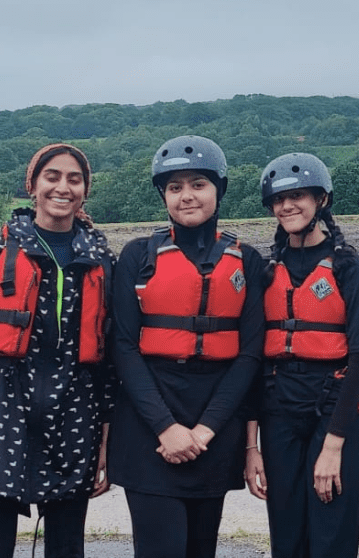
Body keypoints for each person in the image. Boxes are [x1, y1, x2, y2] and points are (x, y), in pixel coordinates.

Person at [0, 143, 117, 558]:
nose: (63, 187)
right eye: (52, 177)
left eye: (74, 179)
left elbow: (111, 360)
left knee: (67, 549)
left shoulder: (101, 258)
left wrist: (106, 444)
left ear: (85, 190)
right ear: (33, 185)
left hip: (75, 420)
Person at [107, 135, 264, 558]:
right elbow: (123, 348)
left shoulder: (248, 261)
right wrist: (167, 428)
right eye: (174, 188)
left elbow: (250, 354)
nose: (186, 196)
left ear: (219, 190)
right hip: (149, 428)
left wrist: (205, 430)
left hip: (215, 425)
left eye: (198, 184)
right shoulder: (137, 256)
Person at [243, 153, 359, 558]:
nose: (287, 206)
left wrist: (333, 445)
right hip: (279, 408)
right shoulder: (265, 271)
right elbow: (252, 361)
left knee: (331, 530)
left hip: (333, 408)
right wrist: (252, 446)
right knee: (286, 534)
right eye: (279, 200)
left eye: (298, 196)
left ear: (320, 200)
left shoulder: (348, 267)